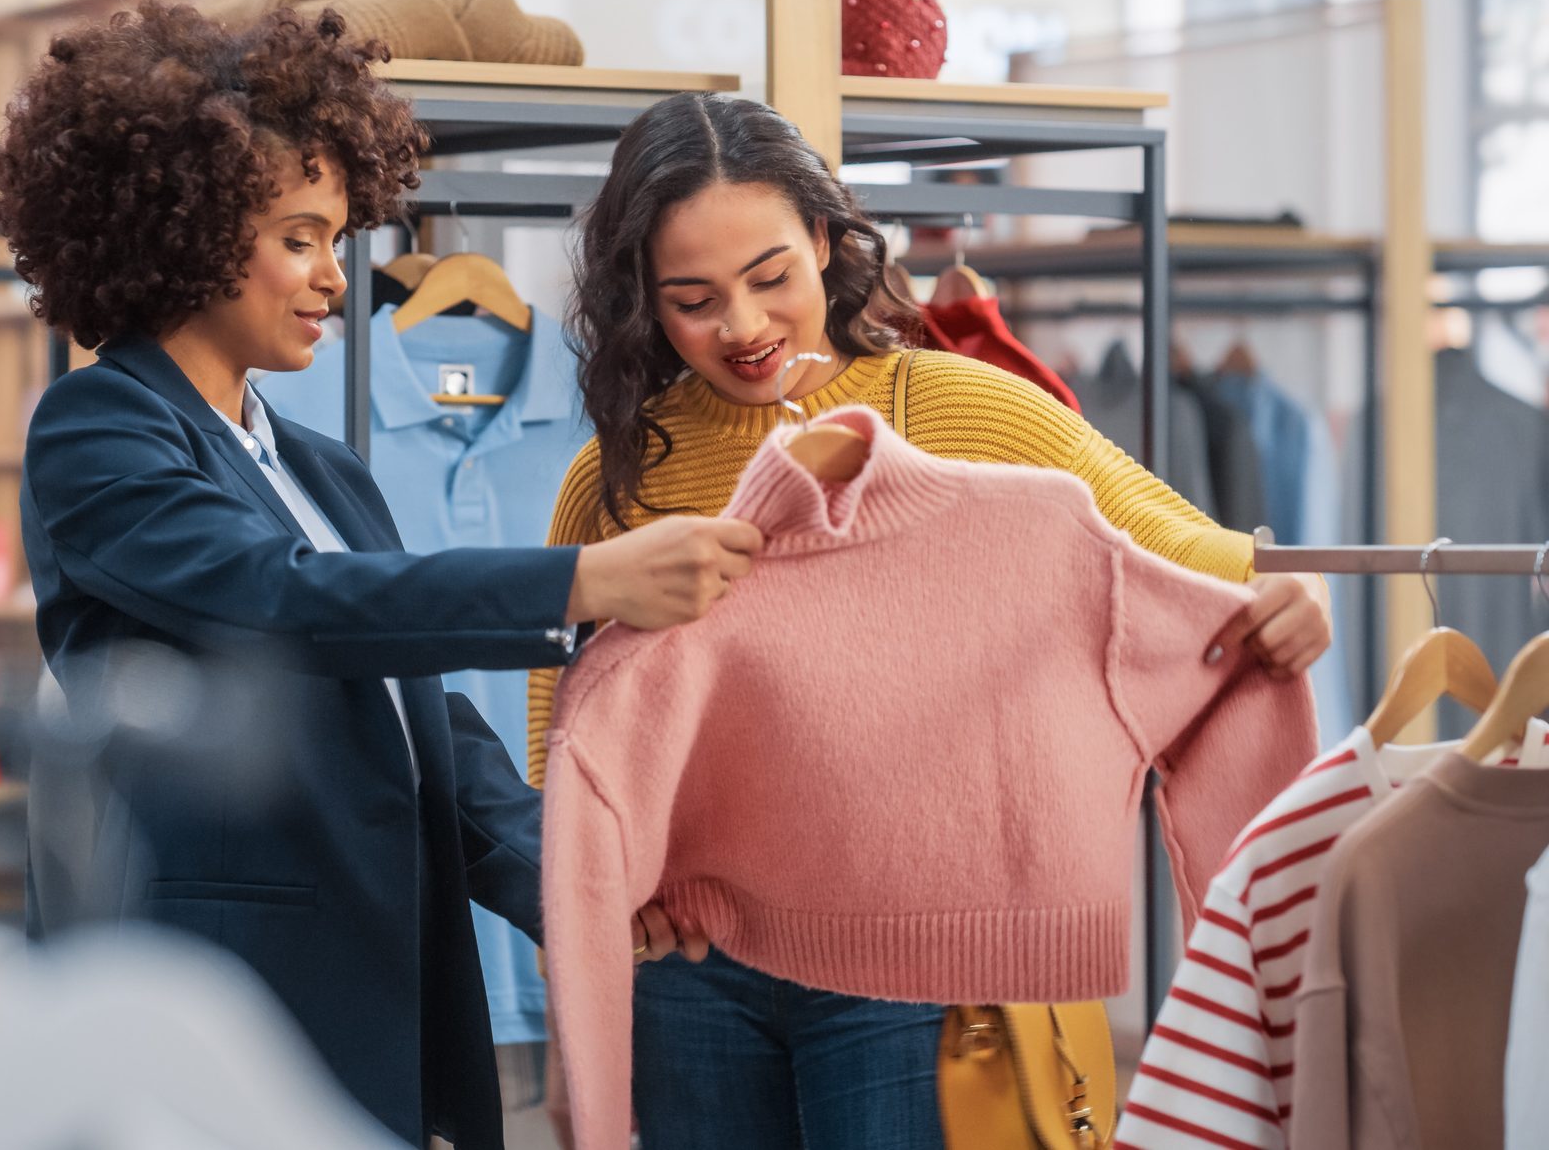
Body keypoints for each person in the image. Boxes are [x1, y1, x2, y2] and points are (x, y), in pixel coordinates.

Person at [0, 2, 752, 1150]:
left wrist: (579, 882)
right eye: (299, 238)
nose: (335, 282)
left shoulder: (321, 467)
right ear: (180, 231)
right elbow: (280, 602)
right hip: (222, 997)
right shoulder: (97, 427)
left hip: (371, 977)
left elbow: (418, 711)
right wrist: (579, 582)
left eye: (335, 241)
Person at [529, 92, 1333, 1149]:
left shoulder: (957, 407)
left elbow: (1184, 551)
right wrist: (595, 932)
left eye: (770, 278)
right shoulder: (618, 475)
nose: (742, 326)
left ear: (823, 240)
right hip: (689, 971)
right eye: (692, 298)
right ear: (643, 298)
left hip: (908, 966)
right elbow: (560, 738)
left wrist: (1287, 594)